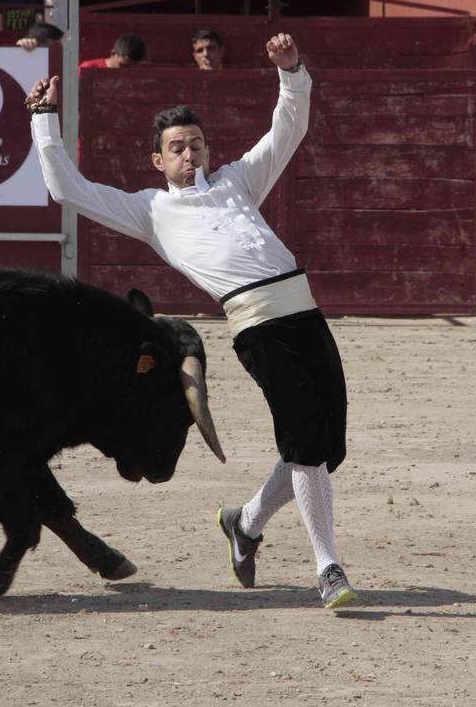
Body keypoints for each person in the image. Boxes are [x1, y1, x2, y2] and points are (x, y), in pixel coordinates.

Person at [25, 33, 360, 610]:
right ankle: (327, 567)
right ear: (158, 160)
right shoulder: (150, 210)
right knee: (306, 442)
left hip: (304, 310)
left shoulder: (237, 180)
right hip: (258, 323)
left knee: (328, 446)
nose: (190, 155)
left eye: (197, 145)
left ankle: (245, 522)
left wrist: (292, 72)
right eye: (178, 148)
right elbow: (66, 187)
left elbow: (288, 129)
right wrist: (44, 121)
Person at [80, 30, 145, 67]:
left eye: (131, 68)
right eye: (122, 66)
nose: (125, 71)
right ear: (113, 53)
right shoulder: (86, 68)